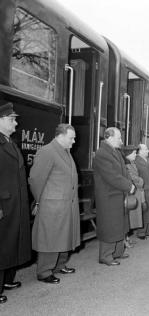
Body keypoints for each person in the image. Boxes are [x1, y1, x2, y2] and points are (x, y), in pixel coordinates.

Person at [29, 124, 80, 283]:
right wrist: (39, 201)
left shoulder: (65, 152)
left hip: (67, 203)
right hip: (52, 204)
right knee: (50, 238)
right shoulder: (47, 151)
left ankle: (59, 265)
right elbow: (36, 179)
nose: (73, 141)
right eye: (71, 138)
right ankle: (44, 271)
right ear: (61, 136)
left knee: (63, 236)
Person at [0, 101, 31, 304]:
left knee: (10, 242)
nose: (15, 124)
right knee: (1, 244)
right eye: (12, 119)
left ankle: (6, 280)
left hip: (14, 203)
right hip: (4, 204)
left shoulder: (9, 141)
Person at [93, 127, 135, 266]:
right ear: (109, 138)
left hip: (116, 193)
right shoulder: (102, 154)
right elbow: (112, 176)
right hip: (108, 196)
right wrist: (129, 186)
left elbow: (124, 172)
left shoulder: (115, 152)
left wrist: (129, 182)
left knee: (119, 224)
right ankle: (105, 255)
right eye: (119, 138)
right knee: (110, 225)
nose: (121, 141)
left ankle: (117, 252)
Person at [123, 146, 145, 248]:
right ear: (128, 154)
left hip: (135, 191)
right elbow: (133, 178)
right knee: (127, 216)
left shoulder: (131, 163)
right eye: (134, 153)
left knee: (130, 217)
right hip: (130, 193)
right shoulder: (126, 164)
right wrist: (141, 181)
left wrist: (139, 180)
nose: (135, 155)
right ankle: (124, 239)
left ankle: (127, 238)